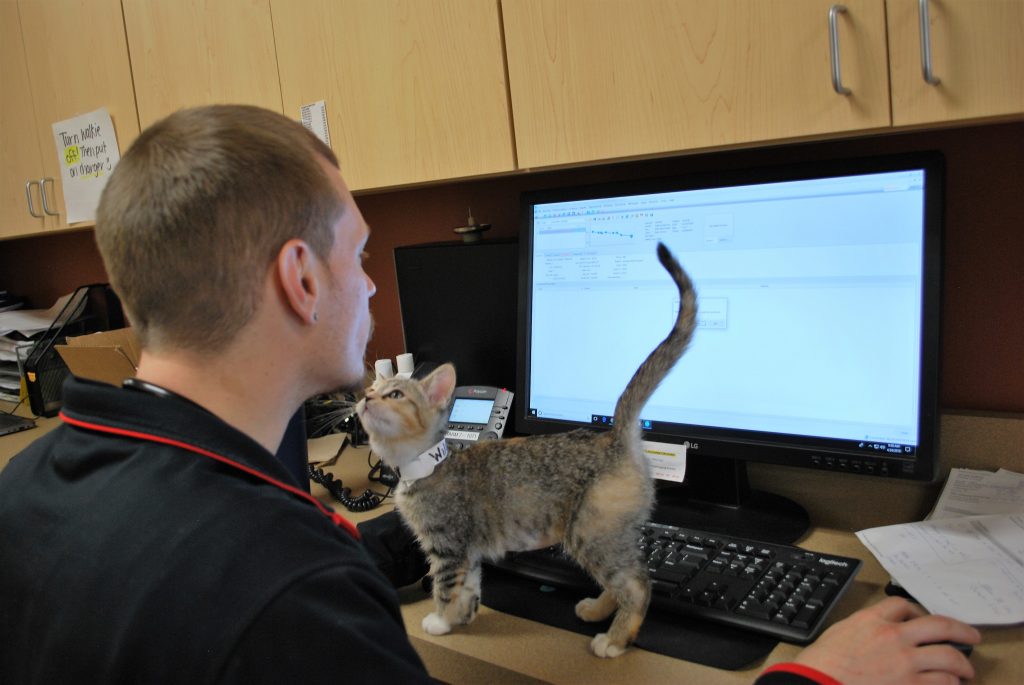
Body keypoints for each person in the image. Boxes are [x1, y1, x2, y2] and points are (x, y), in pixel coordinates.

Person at [0, 105, 980, 684]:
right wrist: (812, 678)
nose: (375, 285)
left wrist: (405, 534)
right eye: (361, 255)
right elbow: (271, 589)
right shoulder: (288, 599)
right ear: (300, 279)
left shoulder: (36, 485)